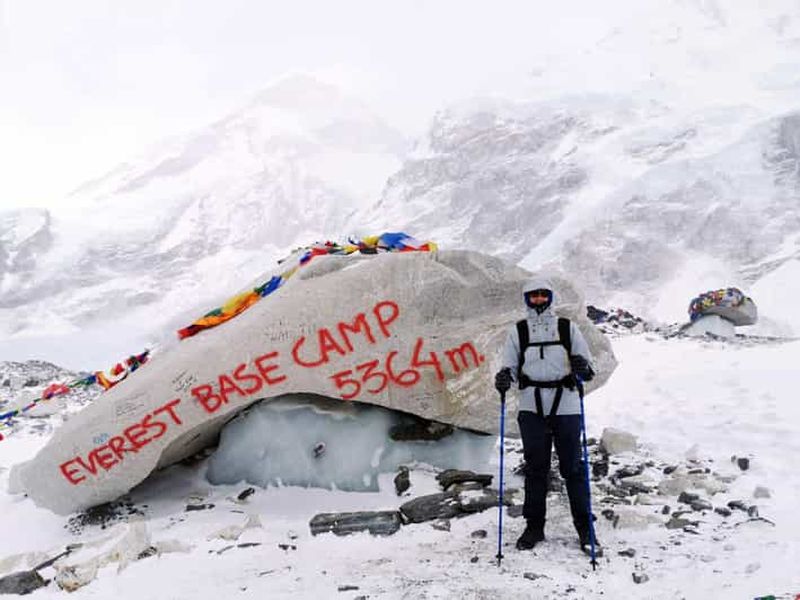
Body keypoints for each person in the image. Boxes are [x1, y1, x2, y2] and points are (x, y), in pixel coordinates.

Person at [494, 277, 599, 554]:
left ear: (551, 297)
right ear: (526, 299)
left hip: (566, 403)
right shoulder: (519, 331)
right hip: (532, 405)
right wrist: (504, 377)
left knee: (573, 468)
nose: (539, 300)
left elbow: (589, 369)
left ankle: (585, 527)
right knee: (535, 468)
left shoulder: (567, 328)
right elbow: (510, 366)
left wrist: (582, 368)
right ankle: (534, 526)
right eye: (533, 295)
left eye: (543, 295)